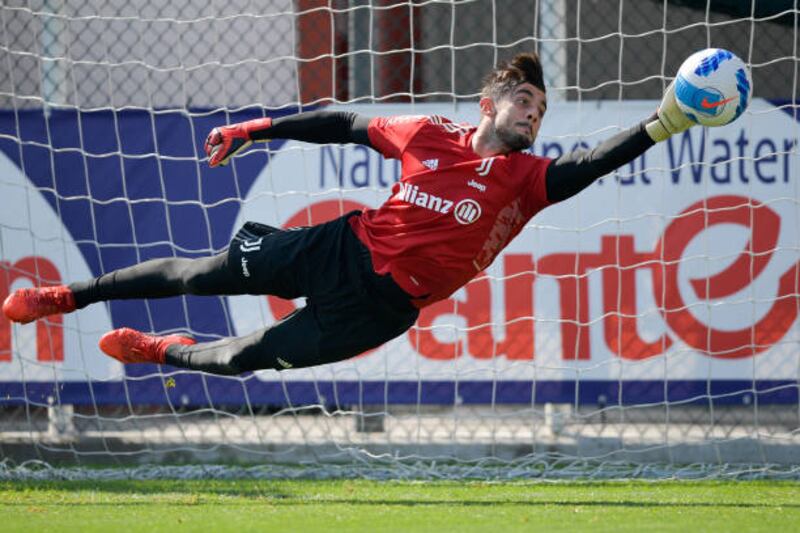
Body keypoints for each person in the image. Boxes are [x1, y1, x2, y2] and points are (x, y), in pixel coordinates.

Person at [2, 53, 692, 375]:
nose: (533, 115)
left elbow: (592, 164)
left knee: (248, 358)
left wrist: (663, 121)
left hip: (382, 308)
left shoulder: (528, 179)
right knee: (195, 273)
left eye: (540, 111)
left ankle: (156, 350)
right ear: (491, 104)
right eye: (524, 101)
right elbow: (342, 121)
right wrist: (257, 128)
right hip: (340, 248)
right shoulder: (426, 133)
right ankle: (57, 296)